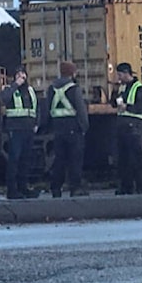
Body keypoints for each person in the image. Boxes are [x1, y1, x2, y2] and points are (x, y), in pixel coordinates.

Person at [43, 61, 89, 198]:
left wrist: (46, 126)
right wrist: (84, 127)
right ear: (72, 73)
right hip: (73, 128)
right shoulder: (74, 89)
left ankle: (56, 188)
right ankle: (75, 188)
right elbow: (81, 111)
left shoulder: (52, 88)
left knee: (59, 160)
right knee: (75, 159)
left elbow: (47, 109)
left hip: (58, 128)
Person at [0, 65, 40, 199]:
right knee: (14, 159)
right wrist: (15, 84)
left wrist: (36, 123)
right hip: (15, 129)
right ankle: (12, 190)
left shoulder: (30, 90)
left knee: (25, 160)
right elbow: (4, 99)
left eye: (23, 74)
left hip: (28, 129)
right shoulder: (10, 89)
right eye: (18, 75)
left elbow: (37, 107)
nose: (21, 77)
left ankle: (23, 188)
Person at [112, 62, 142, 195]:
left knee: (136, 158)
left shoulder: (139, 88)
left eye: (120, 75)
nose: (118, 78)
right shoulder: (122, 87)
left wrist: (127, 107)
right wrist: (115, 91)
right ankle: (126, 187)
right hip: (122, 126)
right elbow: (113, 103)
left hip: (134, 127)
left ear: (127, 73)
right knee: (123, 159)